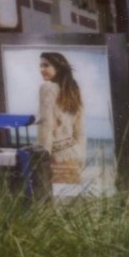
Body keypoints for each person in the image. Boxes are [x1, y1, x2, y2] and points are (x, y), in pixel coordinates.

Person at [37, 51, 86, 186]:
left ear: (58, 67)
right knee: (71, 200)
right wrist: (81, 154)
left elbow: (46, 126)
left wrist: (43, 157)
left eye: (46, 65)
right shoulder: (73, 89)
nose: (42, 70)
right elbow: (79, 130)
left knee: (52, 201)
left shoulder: (47, 88)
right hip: (74, 153)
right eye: (40, 66)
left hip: (57, 156)